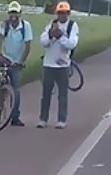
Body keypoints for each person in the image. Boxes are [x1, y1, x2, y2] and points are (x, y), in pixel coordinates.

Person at [0, 1, 31, 127]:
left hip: (16, 62)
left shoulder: (25, 26)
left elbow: (28, 47)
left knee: (16, 89)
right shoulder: (4, 24)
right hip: (4, 58)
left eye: (15, 13)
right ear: (8, 13)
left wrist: (20, 62)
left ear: (20, 14)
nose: (13, 15)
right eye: (11, 12)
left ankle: (15, 117)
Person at [37, 1, 79, 129]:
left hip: (63, 65)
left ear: (68, 13)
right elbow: (43, 41)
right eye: (59, 13)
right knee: (46, 94)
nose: (61, 15)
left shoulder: (72, 25)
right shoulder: (51, 24)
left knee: (62, 94)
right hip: (49, 64)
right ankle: (43, 119)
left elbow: (72, 44)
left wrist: (60, 36)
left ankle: (61, 120)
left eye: (64, 13)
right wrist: (51, 35)